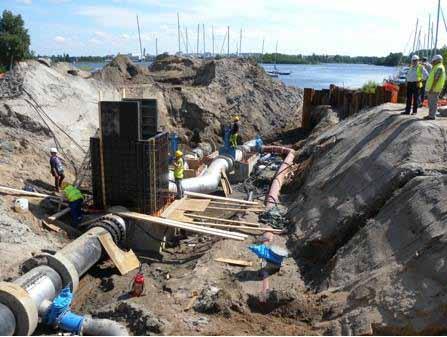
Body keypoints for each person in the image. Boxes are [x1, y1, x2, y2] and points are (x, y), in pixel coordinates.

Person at [424, 54, 446, 120]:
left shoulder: (439, 67)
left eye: (434, 61)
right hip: (433, 88)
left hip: (434, 89)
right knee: (431, 102)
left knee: (433, 103)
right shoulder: (437, 67)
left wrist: (432, 88)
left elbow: (436, 79)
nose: (432, 62)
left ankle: (432, 116)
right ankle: (430, 115)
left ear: (437, 61)